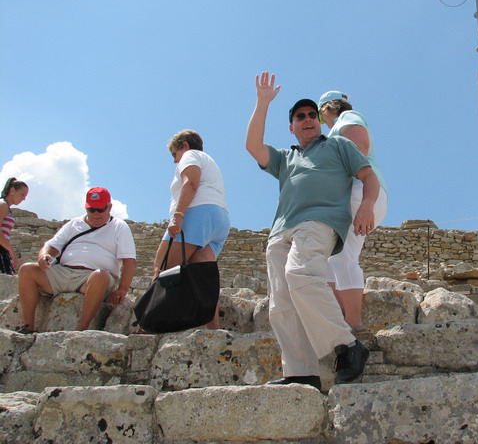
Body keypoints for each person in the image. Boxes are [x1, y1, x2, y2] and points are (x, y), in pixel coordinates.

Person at [246, 72, 380, 390]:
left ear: (319, 122)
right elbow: (253, 146)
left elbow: (368, 176)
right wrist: (262, 103)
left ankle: (347, 346)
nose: (307, 119)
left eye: (312, 115)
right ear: (291, 126)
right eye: (299, 116)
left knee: (301, 275)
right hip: (280, 231)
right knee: (280, 303)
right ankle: (301, 372)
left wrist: (367, 205)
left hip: (319, 222)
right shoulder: (285, 157)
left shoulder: (337, 146)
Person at [17, 187, 136, 332]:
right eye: (92, 210)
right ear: (86, 208)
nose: (96, 214)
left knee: (100, 276)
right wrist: (44, 256)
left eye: (101, 209)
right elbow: (51, 246)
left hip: (93, 278)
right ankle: (28, 327)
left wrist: (122, 288)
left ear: (109, 207)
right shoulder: (74, 224)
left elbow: (129, 260)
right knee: (27, 269)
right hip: (63, 272)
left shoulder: (119, 227)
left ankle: (81, 329)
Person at [318, 91, 388, 330]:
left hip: (360, 190)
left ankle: (354, 325)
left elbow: (360, 144)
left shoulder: (348, 117)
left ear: (328, 107)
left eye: (320, 114)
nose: (321, 121)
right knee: (329, 260)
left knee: (341, 257)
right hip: (359, 194)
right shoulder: (337, 128)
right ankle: (340, 318)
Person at [152, 129, 230, 329]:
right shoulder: (210, 161)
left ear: (184, 145)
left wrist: (178, 216)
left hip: (197, 213)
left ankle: (152, 322)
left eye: (174, 154)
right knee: (203, 279)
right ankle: (214, 332)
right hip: (219, 218)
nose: (175, 161)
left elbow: (191, 183)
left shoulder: (190, 155)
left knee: (162, 267)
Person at [1, 178, 29, 275]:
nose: (24, 198)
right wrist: (10, 250)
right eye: (22, 194)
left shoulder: (7, 207)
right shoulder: (2, 205)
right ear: (12, 191)